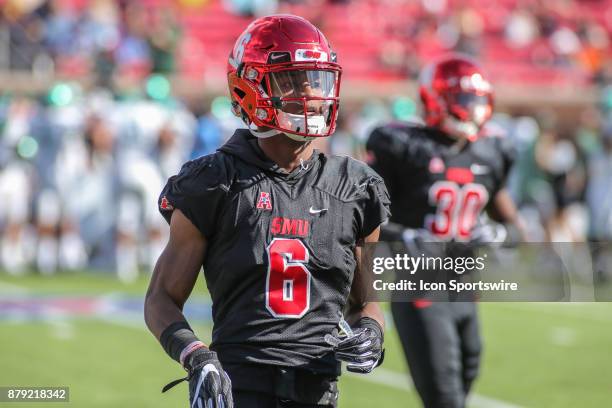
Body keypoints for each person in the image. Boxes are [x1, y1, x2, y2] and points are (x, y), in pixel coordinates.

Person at [144, 14, 390, 408]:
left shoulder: (354, 188)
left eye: (316, 78)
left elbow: (366, 302)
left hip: (319, 390)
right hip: (238, 385)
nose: (310, 91)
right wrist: (196, 357)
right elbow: (161, 297)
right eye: (292, 79)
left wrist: (373, 333)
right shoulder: (215, 181)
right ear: (249, 87)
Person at [366, 54, 523, 408]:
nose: (474, 109)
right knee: (445, 396)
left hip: (464, 289)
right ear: (436, 98)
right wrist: (405, 237)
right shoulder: (402, 146)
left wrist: (497, 236)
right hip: (419, 287)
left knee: (464, 383)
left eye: (479, 99)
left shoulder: (491, 150)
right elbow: (363, 217)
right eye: (466, 99)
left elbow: (514, 229)